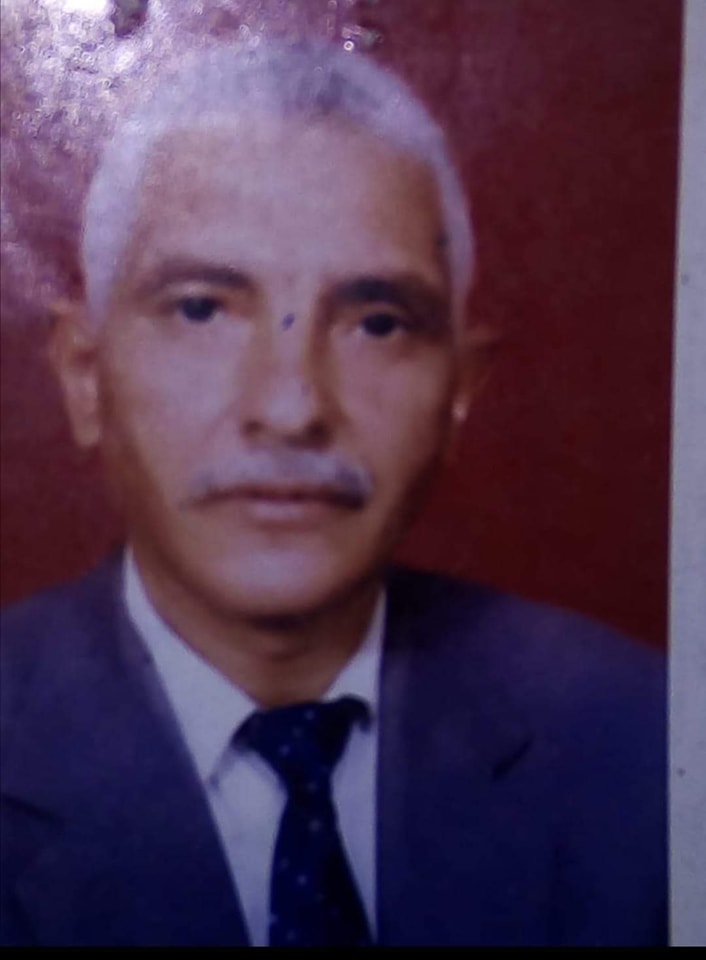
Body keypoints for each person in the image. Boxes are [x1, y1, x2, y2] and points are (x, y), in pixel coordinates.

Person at [0, 42, 666, 947]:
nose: (292, 408)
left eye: (376, 323)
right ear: (85, 376)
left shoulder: (643, 743)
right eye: (202, 309)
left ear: (460, 390)